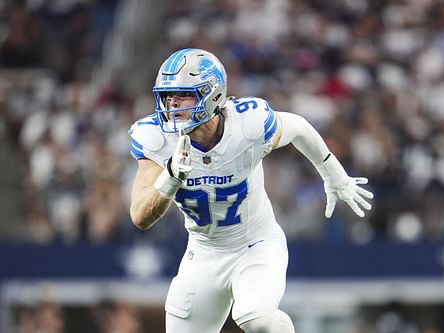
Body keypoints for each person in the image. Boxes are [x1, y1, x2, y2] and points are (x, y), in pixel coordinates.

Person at [128, 48, 373, 333]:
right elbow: (140, 215)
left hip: (255, 243)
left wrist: (334, 176)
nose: (172, 105)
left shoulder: (247, 124)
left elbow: (298, 127)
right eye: (168, 96)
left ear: (213, 94)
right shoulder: (156, 137)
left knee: (257, 318)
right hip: (203, 254)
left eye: (183, 95)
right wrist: (169, 178)